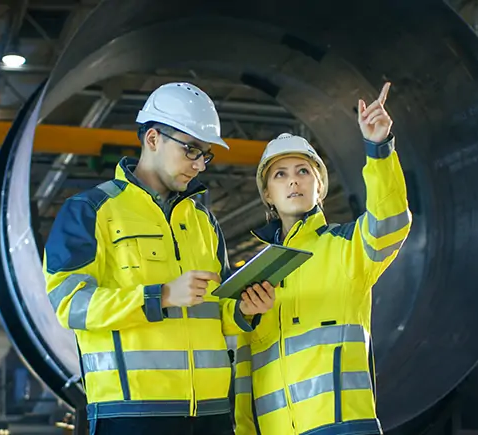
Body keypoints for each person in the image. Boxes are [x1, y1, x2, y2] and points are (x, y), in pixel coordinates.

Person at [42, 82, 276, 435]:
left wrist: (243, 310)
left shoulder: (202, 221)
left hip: (211, 414)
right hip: (132, 414)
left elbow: (216, 308)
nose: (199, 165)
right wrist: (160, 296)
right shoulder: (89, 210)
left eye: (206, 154)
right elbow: (70, 304)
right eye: (192, 150)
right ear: (152, 139)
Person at [234, 82, 412, 435]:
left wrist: (378, 147)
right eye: (280, 175)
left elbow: (390, 222)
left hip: (344, 427)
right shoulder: (255, 276)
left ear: (320, 186)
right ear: (268, 194)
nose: (293, 182)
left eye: (303, 171)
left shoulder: (347, 247)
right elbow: (242, 369)